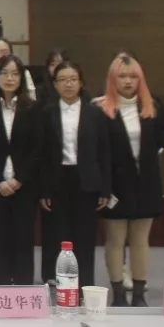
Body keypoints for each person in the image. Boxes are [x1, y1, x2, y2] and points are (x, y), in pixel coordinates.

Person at [95, 54, 164, 308]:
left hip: (146, 182)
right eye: (122, 76)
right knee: (115, 240)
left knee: (140, 240)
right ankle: (118, 293)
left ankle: (139, 294)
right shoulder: (99, 108)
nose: (128, 81)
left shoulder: (153, 106)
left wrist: (151, 154)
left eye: (133, 77)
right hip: (116, 184)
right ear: (112, 79)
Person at [39, 61, 110, 291]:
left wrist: (105, 188)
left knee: (85, 234)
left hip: (86, 179)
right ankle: (60, 281)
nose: (68, 84)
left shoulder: (95, 114)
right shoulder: (47, 113)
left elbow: (104, 153)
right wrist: (44, 189)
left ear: (81, 83)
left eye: (73, 79)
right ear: (55, 84)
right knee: (58, 233)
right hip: (57, 179)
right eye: (62, 80)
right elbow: (42, 154)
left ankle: (85, 283)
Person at [0, 55, 41, 286]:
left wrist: (19, 179)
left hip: (24, 185)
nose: (10, 78)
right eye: (4, 73)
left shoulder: (32, 109)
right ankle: (3, 286)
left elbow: (37, 148)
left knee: (23, 237)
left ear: (22, 78)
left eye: (15, 73)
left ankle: (24, 287)